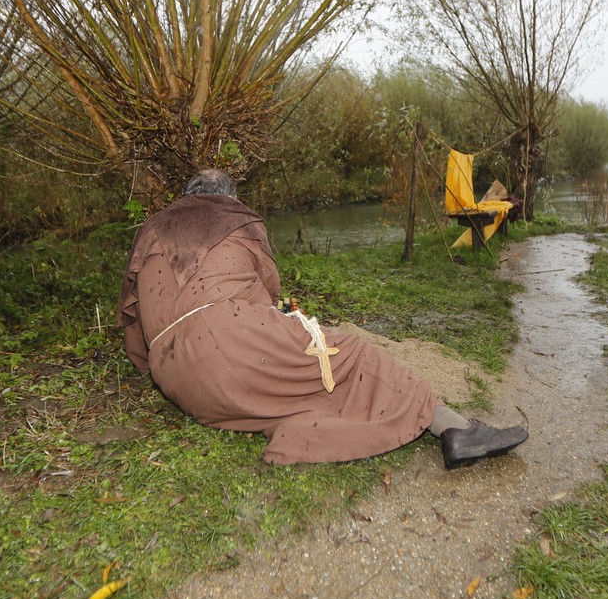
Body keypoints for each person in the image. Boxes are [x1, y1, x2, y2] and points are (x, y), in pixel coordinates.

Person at [117, 168, 528, 468]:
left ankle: (293, 410)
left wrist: (149, 366)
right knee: (350, 355)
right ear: (229, 197)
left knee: (291, 383)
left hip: (178, 381)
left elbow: (133, 322)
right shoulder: (239, 219)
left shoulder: (149, 230)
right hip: (232, 347)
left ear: (188, 195)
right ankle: (455, 428)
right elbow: (270, 293)